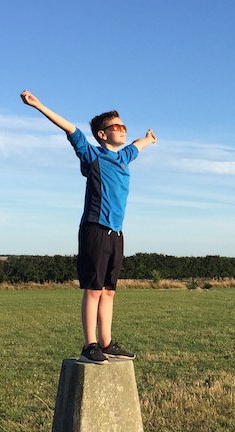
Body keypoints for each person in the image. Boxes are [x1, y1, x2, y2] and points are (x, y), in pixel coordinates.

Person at [20, 90, 157, 363]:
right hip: (95, 229)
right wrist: (38, 105)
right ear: (102, 135)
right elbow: (70, 128)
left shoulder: (124, 157)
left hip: (117, 233)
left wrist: (148, 139)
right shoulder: (92, 155)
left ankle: (106, 342)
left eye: (124, 126)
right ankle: (89, 344)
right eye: (116, 127)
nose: (122, 130)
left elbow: (137, 145)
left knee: (109, 290)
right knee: (93, 290)